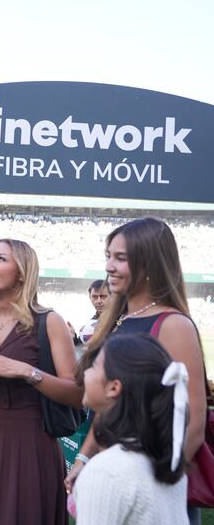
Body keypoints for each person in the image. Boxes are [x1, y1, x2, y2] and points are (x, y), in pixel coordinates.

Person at [66, 217, 206, 523]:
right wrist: (84, 458)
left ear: (149, 263)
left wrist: (158, 478)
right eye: (108, 256)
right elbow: (108, 406)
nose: (109, 267)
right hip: (114, 476)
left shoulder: (173, 324)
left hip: (151, 485)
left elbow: (192, 417)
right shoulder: (118, 320)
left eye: (121, 258)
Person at [0, 239, 81, 525]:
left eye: (0, 259)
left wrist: (27, 372)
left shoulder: (49, 321)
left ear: (21, 272)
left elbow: (76, 393)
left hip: (31, 442)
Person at [73, 334, 188, 524]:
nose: (85, 373)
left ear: (114, 387)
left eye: (93, 366)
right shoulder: (165, 460)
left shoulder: (106, 472)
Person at [68, 279, 110, 358]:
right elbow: (82, 347)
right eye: (95, 297)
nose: (98, 301)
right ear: (90, 297)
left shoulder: (120, 319)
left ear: (112, 297)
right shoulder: (92, 322)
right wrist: (74, 338)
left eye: (103, 296)